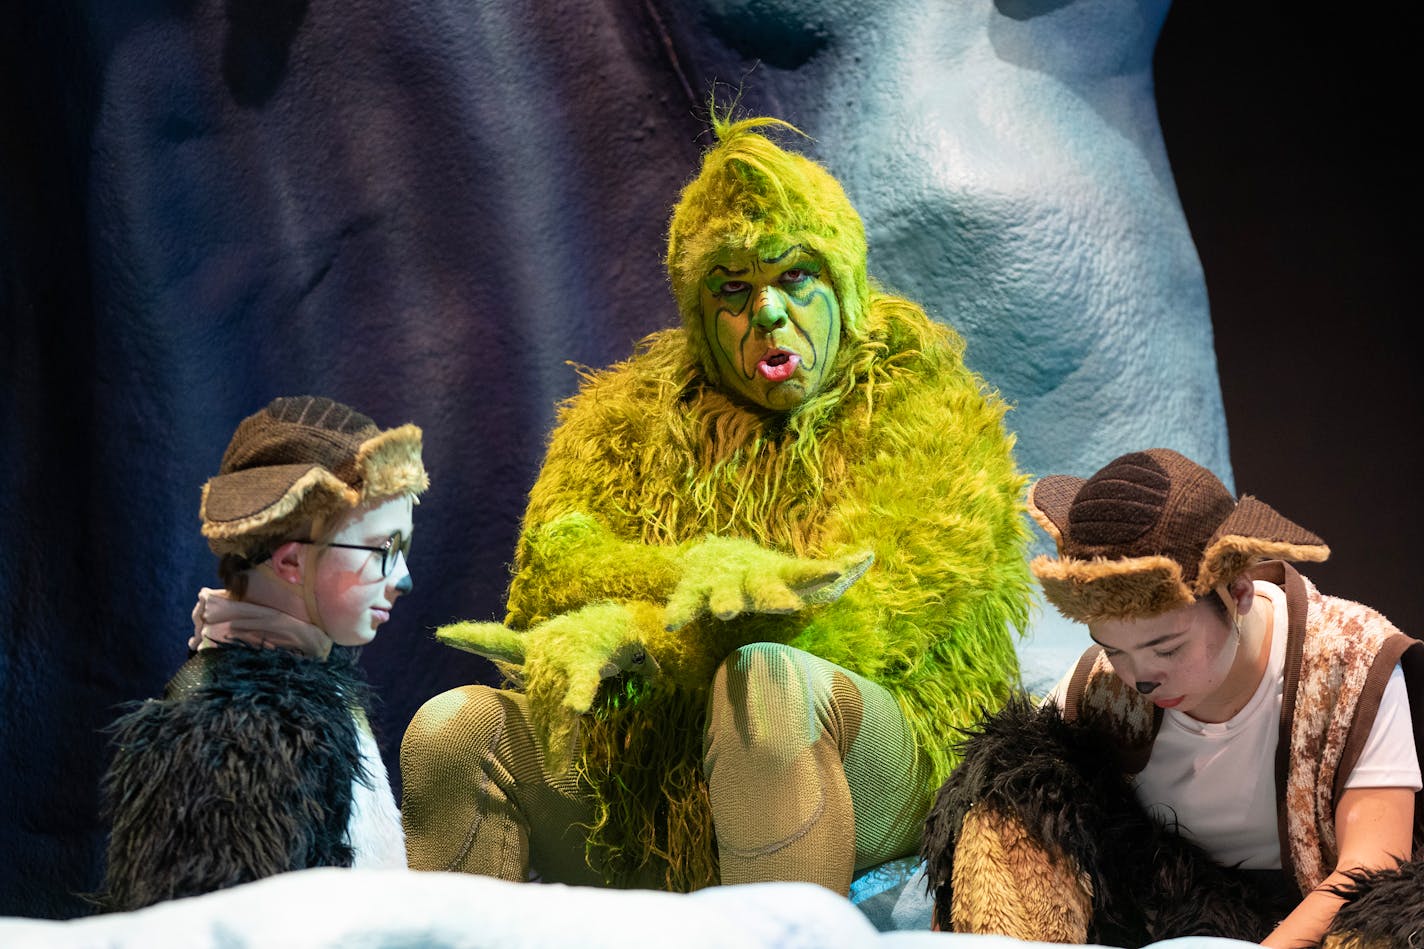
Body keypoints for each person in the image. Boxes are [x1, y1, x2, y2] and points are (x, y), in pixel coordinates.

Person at [399, 114, 1033, 894]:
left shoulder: (922, 401)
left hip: (862, 751)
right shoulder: (624, 418)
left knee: (765, 682)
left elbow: (863, 616)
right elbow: (552, 567)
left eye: (794, 276)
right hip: (650, 774)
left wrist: (660, 640)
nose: (768, 311)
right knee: (454, 729)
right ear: (702, 313)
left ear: (843, 283)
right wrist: (669, 589)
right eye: (734, 288)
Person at [922, 448, 1422, 947]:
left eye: (1167, 647)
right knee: (1005, 799)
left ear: (1239, 593)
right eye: (1113, 647)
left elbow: (1372, 863)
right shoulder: (1102, 686)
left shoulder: (1352, 659)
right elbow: (995, 808)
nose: (1139, 677)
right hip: (1167, 903)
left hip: (1319, 907)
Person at [98, 395, 429, 911]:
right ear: (292, 562)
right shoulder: (233, 733)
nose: (403, 578)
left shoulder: (313, 697)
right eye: (385, 549)